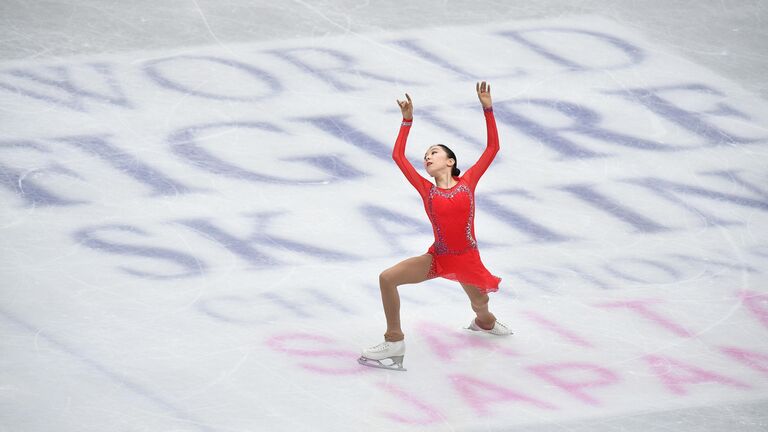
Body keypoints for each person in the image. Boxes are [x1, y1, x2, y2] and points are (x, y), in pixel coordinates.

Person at [358, 81, 511, 372]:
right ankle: (394, 342)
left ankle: (484, 323)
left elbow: (493, 147)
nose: (428, 157)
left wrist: (488, 109)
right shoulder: (427, 191)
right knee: (387, 278)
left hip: (467, 259)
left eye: (435, 152)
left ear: (450, 161)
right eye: (427, 154)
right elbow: (398, 158)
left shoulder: (468, 182)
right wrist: (407, 121)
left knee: (482, 310)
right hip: (438, 258)